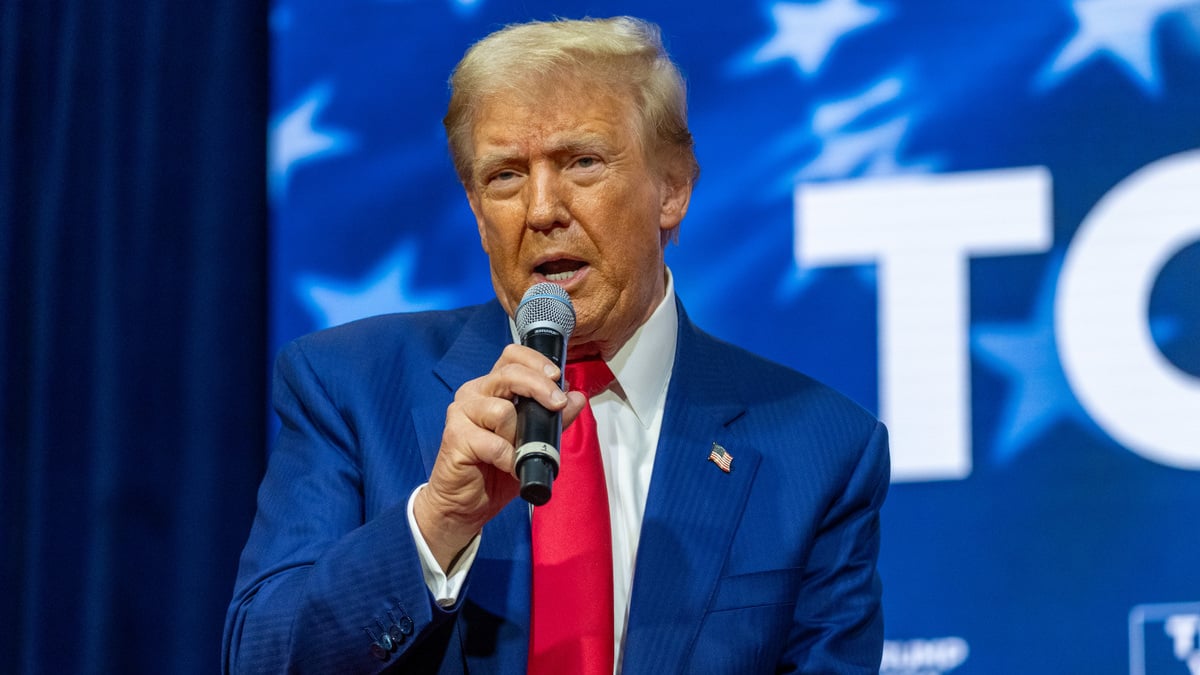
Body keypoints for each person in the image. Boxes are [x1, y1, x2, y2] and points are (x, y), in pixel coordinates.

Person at [223, 15, 889, 674]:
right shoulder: (349, 388)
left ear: (674, 188)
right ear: (480, 216)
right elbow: (259, 660)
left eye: (582, 162)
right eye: (506, 176)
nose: (542, 209)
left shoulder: (820, 449)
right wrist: (436, 524)